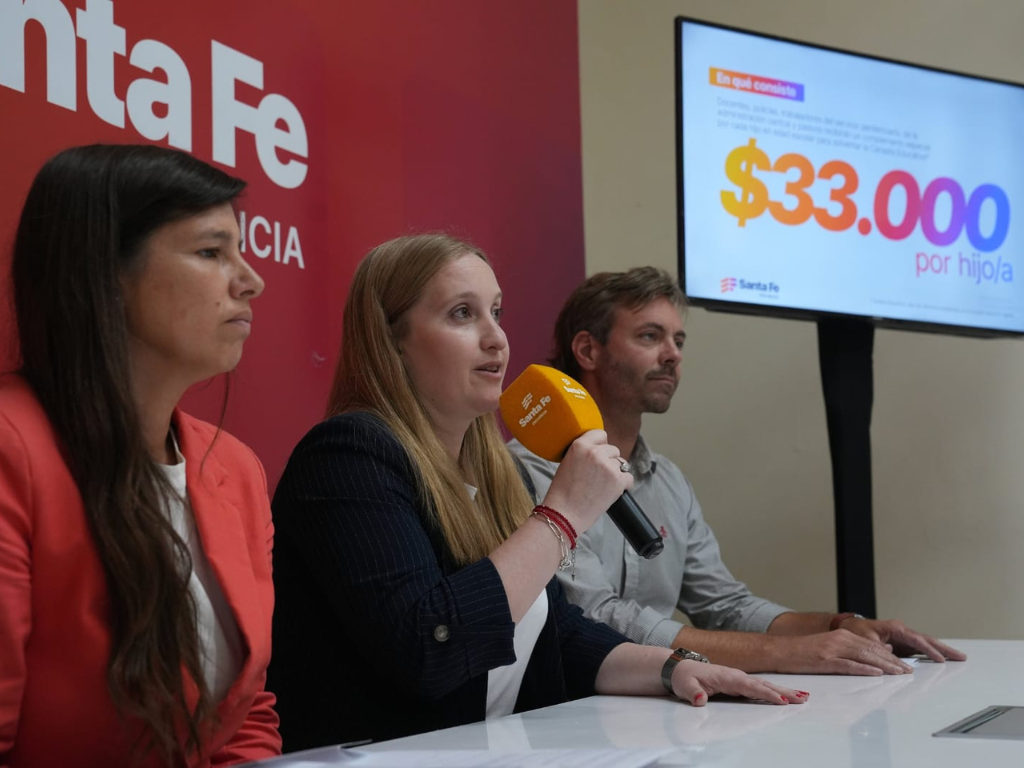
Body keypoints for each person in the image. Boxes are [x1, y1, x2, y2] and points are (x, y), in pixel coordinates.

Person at [268, 234, 806, 752]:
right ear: (393, 341)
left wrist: (672, 666)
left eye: (496, 312)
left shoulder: (490, 474)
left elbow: (553, 633)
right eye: (462, 313)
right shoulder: (346, 456)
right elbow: (429, 647)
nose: (496, 337)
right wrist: (563, 514)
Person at [509, 267, 967, 675]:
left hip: (660, 706)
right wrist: (787, 654)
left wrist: (842, 626)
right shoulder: (526, 472)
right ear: (588, 350)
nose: (672, 354)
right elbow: (595, 617)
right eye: (650, 337)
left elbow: (724, 605)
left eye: (679, 340)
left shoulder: (667, 480)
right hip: (563, 714)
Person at [0, 145, 281, 766]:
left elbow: (243, 718)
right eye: (211, 252)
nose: (251, 279)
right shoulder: (10, 448)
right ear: (104, 274)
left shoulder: (235, 467)